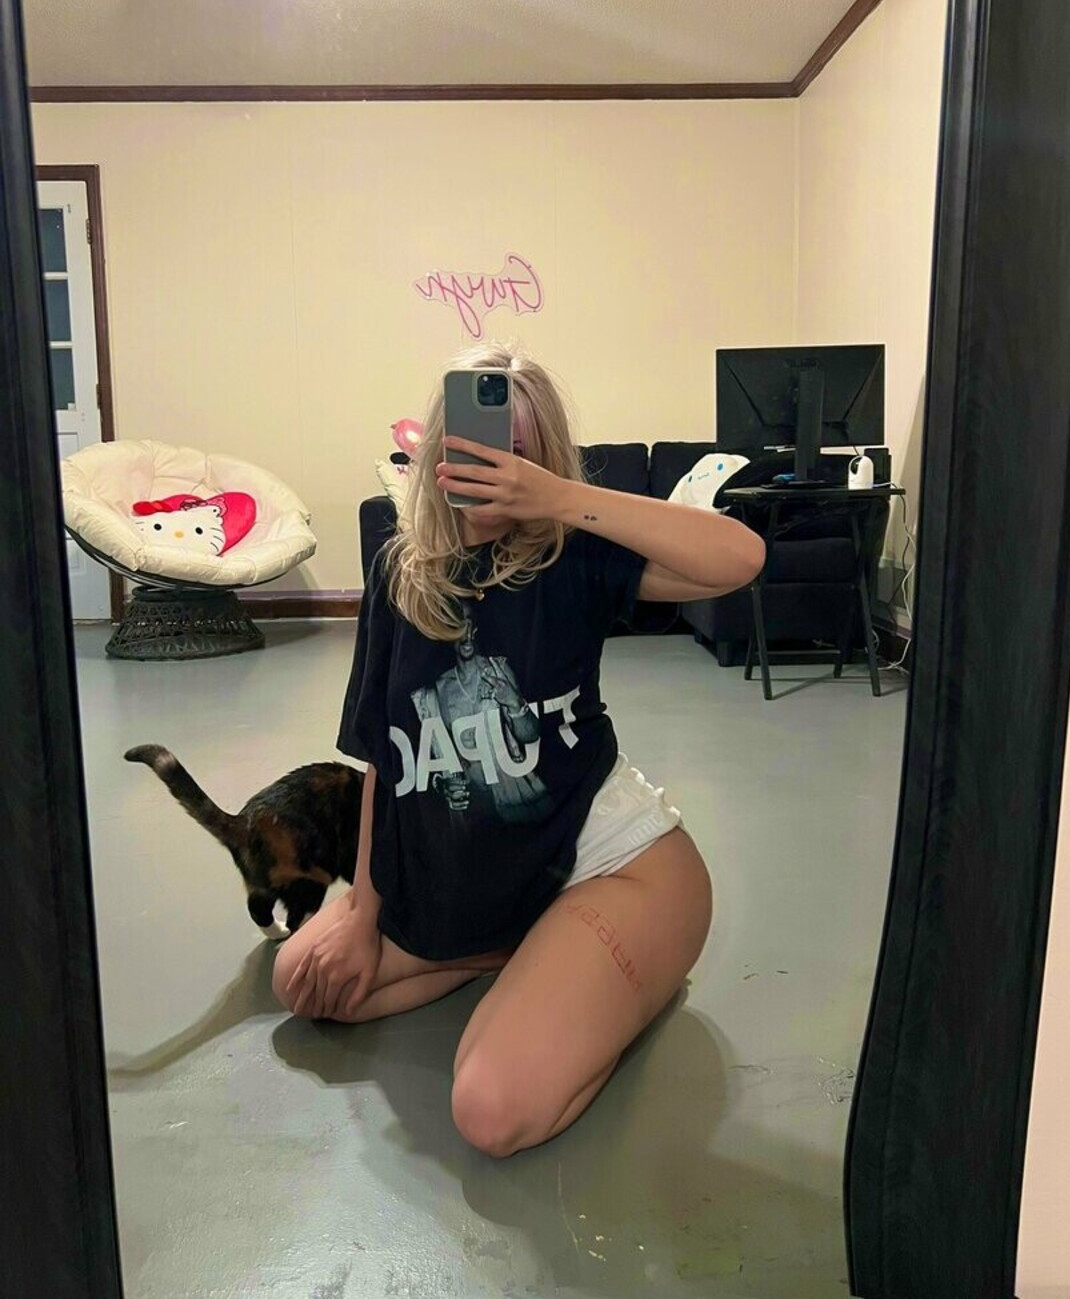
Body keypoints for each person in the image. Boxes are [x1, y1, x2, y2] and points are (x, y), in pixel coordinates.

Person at [273, 345, 766, 1158]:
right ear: (439, 449)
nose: (495, 467)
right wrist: (360, 910)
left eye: (519, 451)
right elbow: (381, 759)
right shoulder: (402, 574)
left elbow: (742, 558)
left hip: (612, 866)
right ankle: (505, 950)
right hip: (484, 880)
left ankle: (599, 964)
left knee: (491, 1107)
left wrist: (560, 497)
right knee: (304, 979)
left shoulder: (571, 556)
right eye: (476, 443)